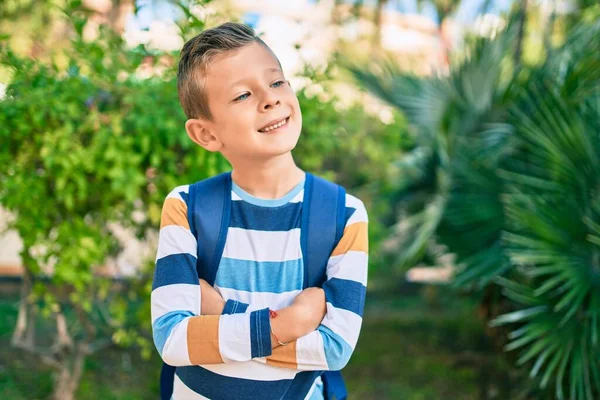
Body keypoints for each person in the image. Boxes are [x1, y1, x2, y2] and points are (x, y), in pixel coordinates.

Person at [151, 22, 368, 400]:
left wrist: (220, 311)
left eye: (277, 82)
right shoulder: (186, 207)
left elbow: (334, 349)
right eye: (242, 95)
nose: (270, 99)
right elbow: (172, 339)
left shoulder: (344, 214)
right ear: (206, 134)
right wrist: (289, 324)